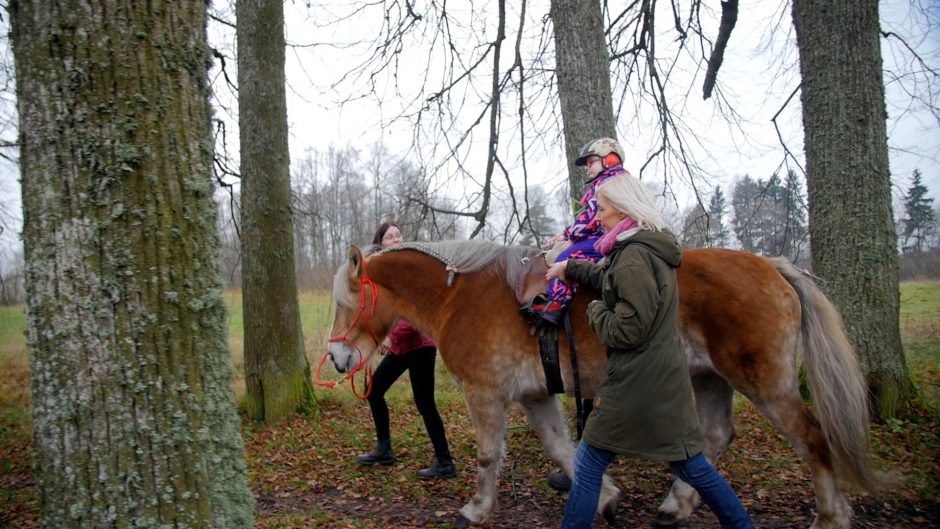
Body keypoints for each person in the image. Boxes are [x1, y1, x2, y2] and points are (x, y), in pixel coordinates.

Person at [547, 175, 753, 529]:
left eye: (604, 208)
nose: (598, 216)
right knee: (692, 464)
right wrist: (571, 268)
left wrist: (595, 311)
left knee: (589, 462)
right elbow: (613, 279)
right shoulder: (645, 248)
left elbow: (628, 329)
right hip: (661, 375)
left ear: (624, 210)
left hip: (635, 380)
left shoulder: (633, 257)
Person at [354, 221, 457, 479]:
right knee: (374, 390)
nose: (397, 239)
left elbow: (415, 313)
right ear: (381, 243)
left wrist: (389, 339)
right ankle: (384, 449)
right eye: (391, 236)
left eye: (399, 234)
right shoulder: (386, 273)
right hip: (403, 347)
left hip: (421, 345)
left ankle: (445, 462)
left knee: (425, 403)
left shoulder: (410, 267)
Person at [522, 137, 630, 327]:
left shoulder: (609, 183)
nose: (587, 168)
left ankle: (555, 305)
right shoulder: (607, 182)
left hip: (609, 236)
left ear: (610, 159)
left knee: (567, 257)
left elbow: (590, 217)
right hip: (602, 233)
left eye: (591, 162)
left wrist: (568, 235)